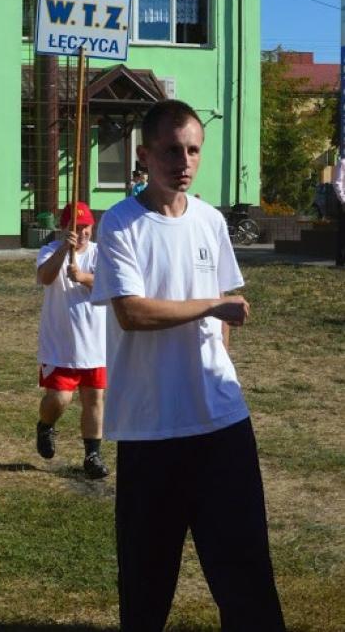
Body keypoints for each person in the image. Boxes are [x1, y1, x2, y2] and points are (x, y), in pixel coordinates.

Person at [92, 100, 285, 632]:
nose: (184, 161)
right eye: (172, 150)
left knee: (245, 573)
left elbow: (222, 303)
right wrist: (209, 307)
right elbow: (131, 314)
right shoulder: (122, 224)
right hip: (151, 428)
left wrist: (215, 346)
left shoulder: (209, 220)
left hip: (222, 423)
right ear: (144, 154)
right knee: (147, 583)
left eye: (193, 149)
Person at [36, 201, 108, 480]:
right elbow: (44, 277)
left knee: (94, 398)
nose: (83, 233)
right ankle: (45, 424)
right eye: (77, 228)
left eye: (87, 227)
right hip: (60, 346)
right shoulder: (49, 251)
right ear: (65, 228)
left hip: (95, 344)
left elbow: (112, 284)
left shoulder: (100, 254)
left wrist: (84, 277)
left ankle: (92, 454)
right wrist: (64, 251)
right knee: (59, 398)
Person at [332, 156, 345, 266]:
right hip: (344, 202)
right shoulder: (342, 163)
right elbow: (337, 183)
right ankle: (340, 260)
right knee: (343, 232)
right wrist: (343, 201)